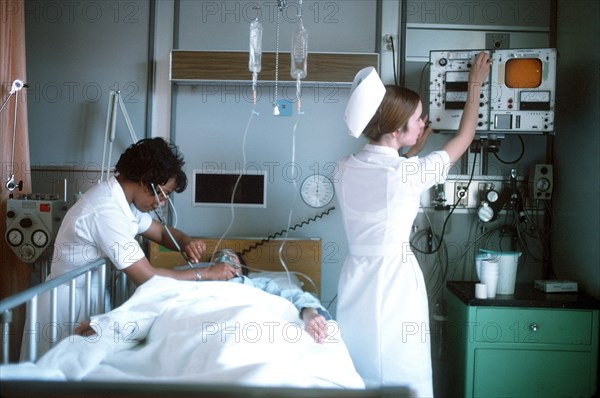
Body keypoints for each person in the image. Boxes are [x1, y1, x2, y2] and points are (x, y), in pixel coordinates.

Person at [334, 52, 491, 396]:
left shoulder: (343, 168)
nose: (424, 124)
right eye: (418, 119)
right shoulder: (408, 173)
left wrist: (408, 151)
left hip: (356, 277)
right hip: (396, 280)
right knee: (401, 365)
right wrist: (475, 83)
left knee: (360, 365)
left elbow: (383, 179)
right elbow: (464, 138)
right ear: (395, 131)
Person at [23, 138, 238, 359]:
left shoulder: (123, 204)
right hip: (66, 304)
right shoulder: (105, 209)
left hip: (89, 296)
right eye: (162, 194)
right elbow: (149, 277)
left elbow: (162, 233)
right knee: (53, 378)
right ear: (146, 182)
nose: (161, 203)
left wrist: (186, 241)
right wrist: (206, 273)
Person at [77, 248, 332, 343]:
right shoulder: (196, 280)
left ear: (241, 268)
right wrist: (110, 321)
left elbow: (296, 297)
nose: (225, 258)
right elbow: (158, 298)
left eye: (231, 256)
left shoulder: (255, 284)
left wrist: (310, 315)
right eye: (218, 257)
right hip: (193, 320)